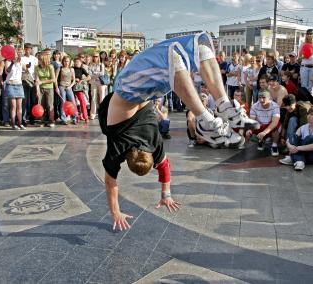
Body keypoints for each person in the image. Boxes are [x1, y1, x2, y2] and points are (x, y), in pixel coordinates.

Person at [100, 33, 258, 230]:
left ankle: (206, 118)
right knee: (200, 47)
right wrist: (165, 195)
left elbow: (158, 168)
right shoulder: (127, 147)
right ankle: (222, 105)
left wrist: (117, 212)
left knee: (177, 55)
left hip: (129, 90)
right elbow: (112, 180)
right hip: (148, 90)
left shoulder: (147, 145)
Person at [280, 106, 313, 171]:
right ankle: (299, 161)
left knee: (310, 138)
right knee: (293, 136)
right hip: (303, 153)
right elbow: (290, 140)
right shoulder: (303, 127)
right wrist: (290, 147)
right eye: (308, 114)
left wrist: (297, 148)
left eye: (312, 114)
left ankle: (294, 158)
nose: (309, 116)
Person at [246, 90, 280, 155]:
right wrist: (249, 130)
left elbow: (275, 122)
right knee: (249, 130)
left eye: (264, 97)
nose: (261, 100)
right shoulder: (254, 106)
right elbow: (252, 121)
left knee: (277, 125)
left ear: (269, 98)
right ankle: (260, 140)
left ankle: (274, 145)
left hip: (270, 125)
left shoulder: (275, 106)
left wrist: (264, 132)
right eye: (259, 97)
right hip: (260, 125)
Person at [5, 49, 26, 130]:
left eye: (18, 54)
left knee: (19, 106)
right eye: (15, 54)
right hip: (10, 84)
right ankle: (13, 124)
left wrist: (27, 66)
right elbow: (7, 71)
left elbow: (26, 69)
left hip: (19, 85)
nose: (17, 56)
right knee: (13, 106)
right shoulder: (8, 62)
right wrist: (12, 63)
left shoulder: (20, 62)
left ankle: (20, 123)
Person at [57, 56, 78, 125]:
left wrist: (70, 86)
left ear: (70, 62)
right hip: (61, 86)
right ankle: (63, 119)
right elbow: (56, 79)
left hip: (69, 87)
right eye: (65, 61)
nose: (66, 63)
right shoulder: (60, 69)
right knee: (63, 102)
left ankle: (74, 118)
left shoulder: (71, 69)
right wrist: (56, 88)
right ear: (63, 62)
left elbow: (74, 80)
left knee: (73, 102)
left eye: (68, 61)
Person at [299, 29, 313, 94]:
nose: (309, 35)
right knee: (304, 85)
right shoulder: (303, 44)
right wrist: (305, 56)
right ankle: (304, 101)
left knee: (311, 86)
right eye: (308, 33)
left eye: (311, 33)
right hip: (304, 67)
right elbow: (299, 57)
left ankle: (309, 101)